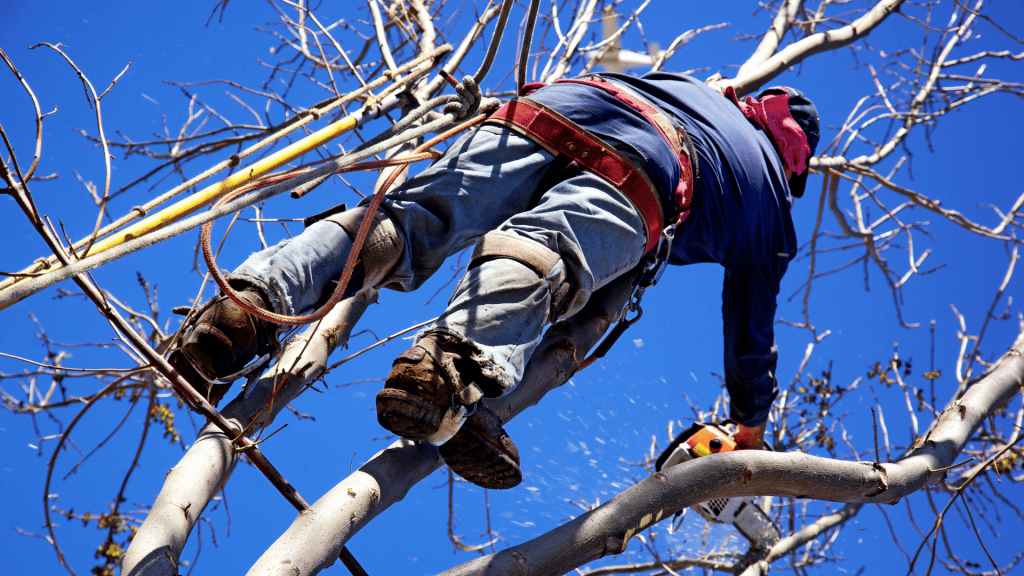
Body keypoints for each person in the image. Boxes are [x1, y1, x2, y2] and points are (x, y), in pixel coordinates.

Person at [168, 72, 820, 490]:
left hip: (562, 103)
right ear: (796, 165)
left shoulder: (694, 85)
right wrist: (750, 423)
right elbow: (750, 326)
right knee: (553, 255)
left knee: (411, 220)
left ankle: (251, 303)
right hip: (651, 165)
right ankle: (451, 374)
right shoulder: (772, 201)